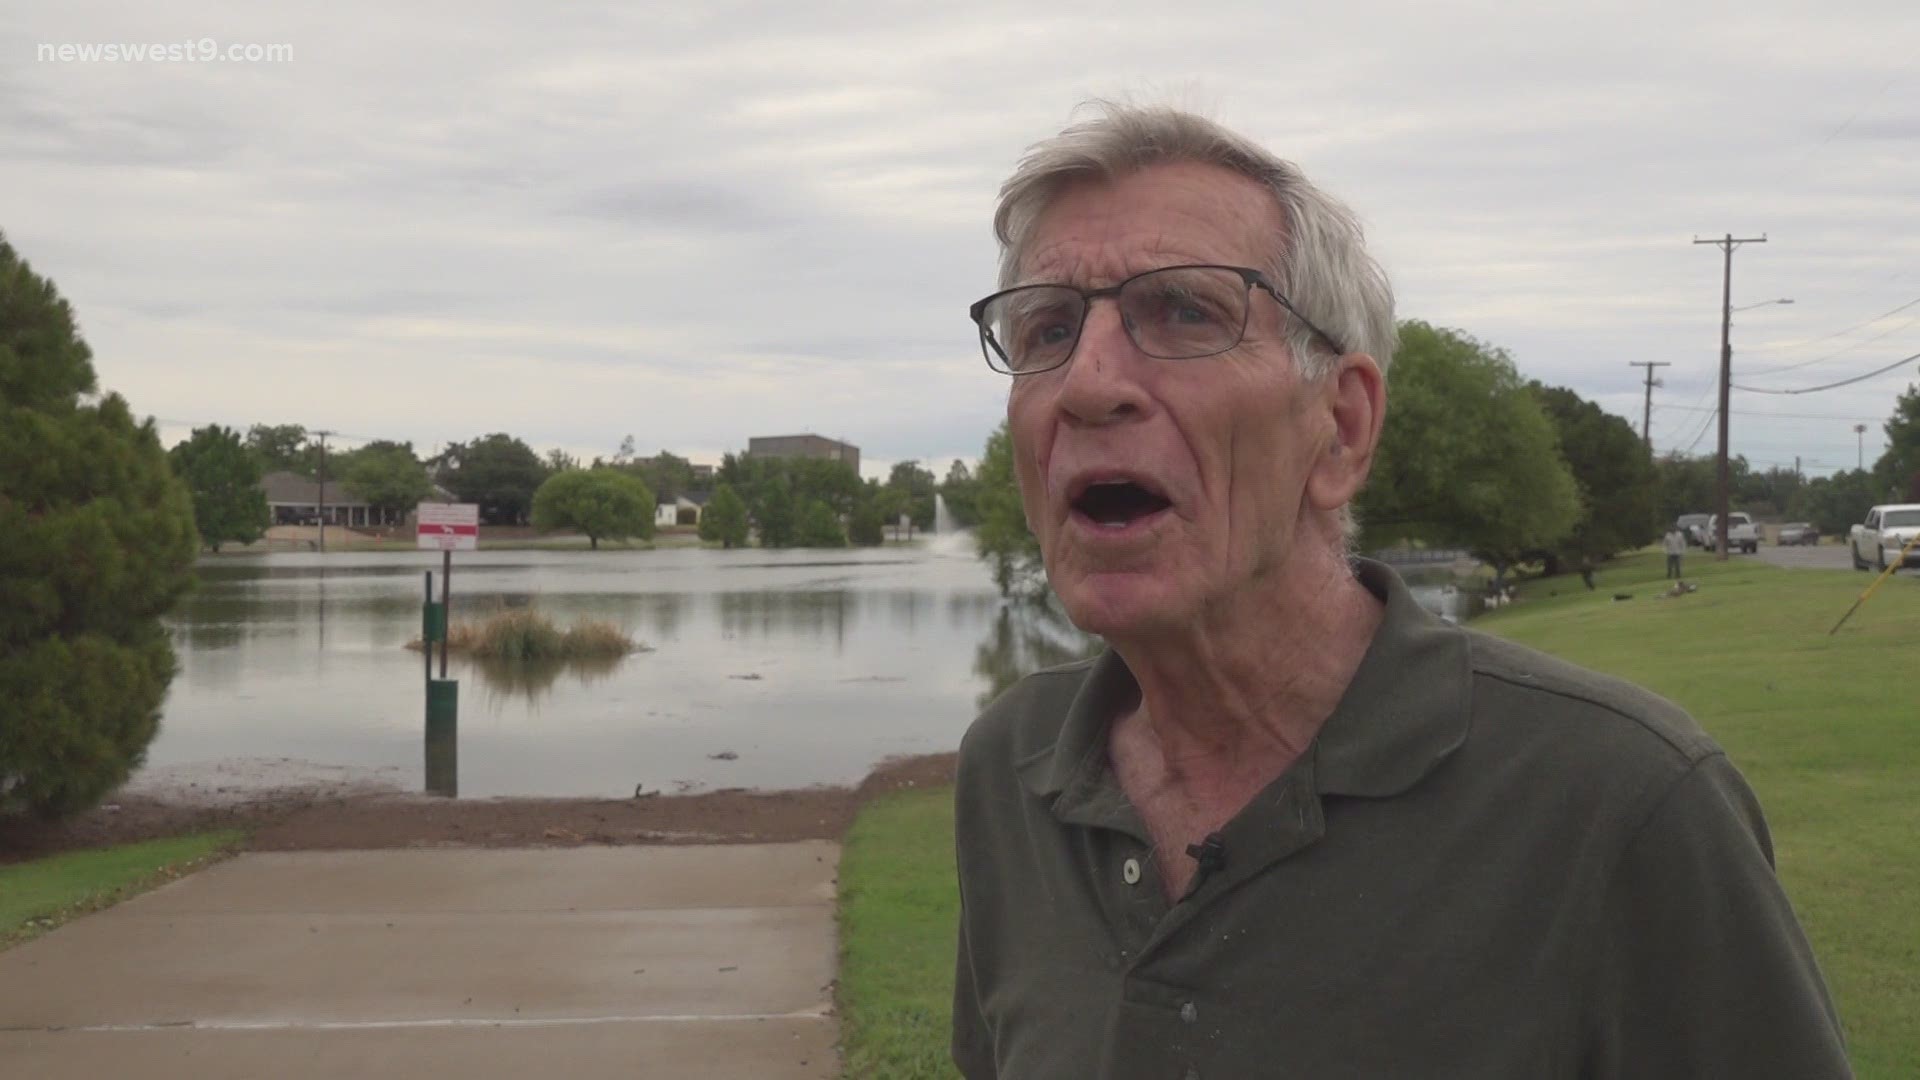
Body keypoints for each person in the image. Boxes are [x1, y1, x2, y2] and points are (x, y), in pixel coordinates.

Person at [951, 103, 1849, 1079]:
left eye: (1182, 312)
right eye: (1046, 327)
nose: (1087, 382)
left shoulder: (1624, 804)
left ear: (1340, 430)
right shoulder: (1014, 770)